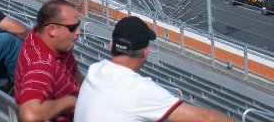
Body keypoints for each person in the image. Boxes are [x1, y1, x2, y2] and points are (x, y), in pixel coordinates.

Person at [74, 16, 235, 122]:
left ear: (111, 45)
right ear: (145, 53)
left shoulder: (95, 71)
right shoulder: (138, 89)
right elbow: (205, 118)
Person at [14, 0, 83, 122]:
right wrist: (70, 101)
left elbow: (76, 74)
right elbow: (29, 115)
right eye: (72, 27)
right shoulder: (42, 64)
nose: (79, 31)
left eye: (78, 25)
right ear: (51, 30)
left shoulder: (43, 38)